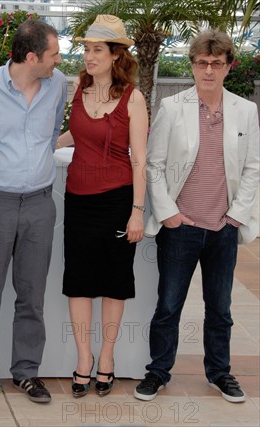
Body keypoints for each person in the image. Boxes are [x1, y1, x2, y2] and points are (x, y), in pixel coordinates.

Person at [135, 30, 259, 403]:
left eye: (216, 63)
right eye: (202, 63)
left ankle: (220, 373)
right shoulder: (173, 108)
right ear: (192, 65)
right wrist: (169, 214)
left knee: (219, 308)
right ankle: (158, 372)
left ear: (228, 66)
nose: (208, 70)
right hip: (181, 227)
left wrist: (236, 216)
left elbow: (253, 167)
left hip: (223, 227)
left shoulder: (245, 110)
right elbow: (154, 165)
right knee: (168, 305)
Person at [0, 19, 68, 405]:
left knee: (32, 296)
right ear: (32, 56)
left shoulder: (58, 85)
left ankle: (27, 373)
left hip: (40, 203)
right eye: (54, 54)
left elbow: (52, 134)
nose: (60, 60)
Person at [56, 14, 148, 398]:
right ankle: (83, 359)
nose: (89, 56)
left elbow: (140, 159)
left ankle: (107, 359)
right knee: (78, 282)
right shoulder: (77, 89)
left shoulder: (133, 98)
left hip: (116, 201)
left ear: (115, 55)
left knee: (113, 282)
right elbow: (70, 136)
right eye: (86, 49)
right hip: (77, 200)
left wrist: (137, 210)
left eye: (97, 50)